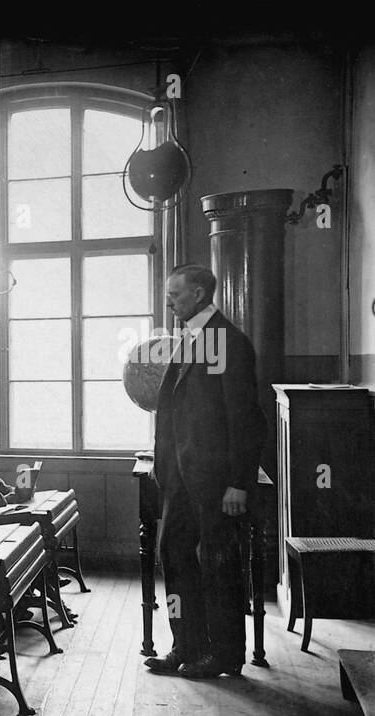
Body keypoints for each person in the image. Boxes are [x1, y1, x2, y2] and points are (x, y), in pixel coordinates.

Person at [149, 263, 266, 679]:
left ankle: (226, 655)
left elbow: (245, 419)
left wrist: (239, 482)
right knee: (174, 556)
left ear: (199, 294)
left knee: (218, 565)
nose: (169, 302)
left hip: (216, 481)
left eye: (176, 295)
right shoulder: (190, 338)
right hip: (181, 477)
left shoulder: (229, 342)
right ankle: (186, 645)